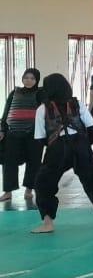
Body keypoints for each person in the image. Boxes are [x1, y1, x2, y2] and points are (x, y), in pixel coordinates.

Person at [31, 74, 93, 233]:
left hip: (57, 149)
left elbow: (40, 138)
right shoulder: (78, 104)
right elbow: (91, 127)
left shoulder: (42, 109)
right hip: (80, 145)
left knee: (43, 184)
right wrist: (84, 144)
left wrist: (53, 148)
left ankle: (48, 222)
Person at [0, 68, 44, 202]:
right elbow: (6, 111)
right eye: (26, 77)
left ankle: (29, 190)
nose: (28, 80)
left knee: (34, 161)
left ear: (36, 80)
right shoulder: (14, 92)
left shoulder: (41, 93)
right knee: (9, 161)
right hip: (12, 132)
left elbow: (45, 111)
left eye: (32, 78)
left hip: (33, 133)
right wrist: (2, 129)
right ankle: (8, 191)